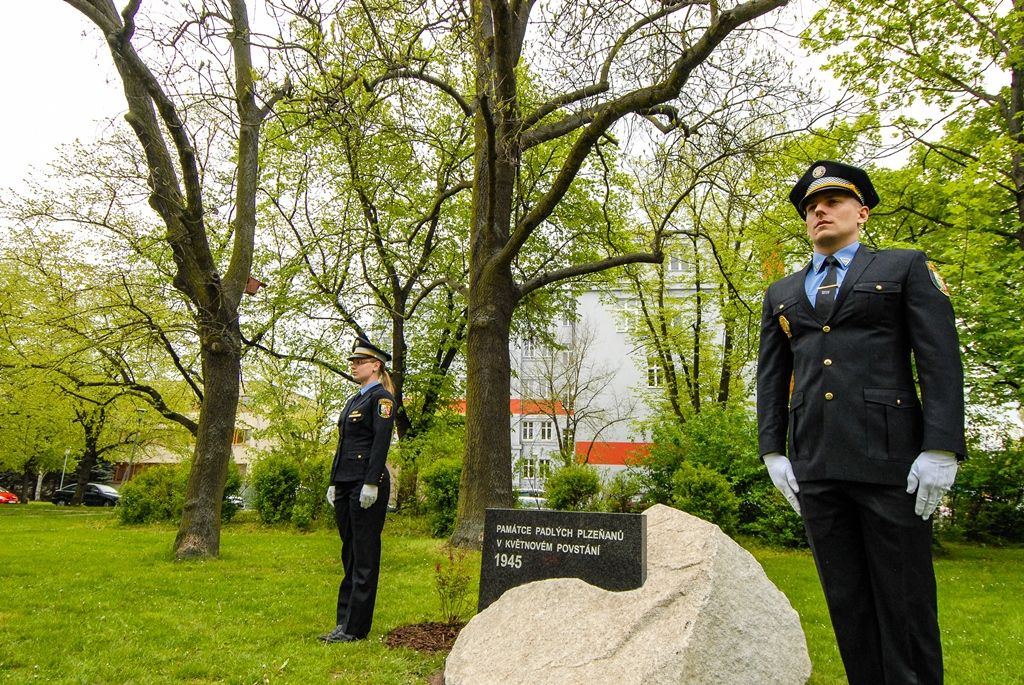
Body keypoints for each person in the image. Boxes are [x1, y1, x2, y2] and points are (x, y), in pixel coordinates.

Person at [756, 160, 965, 685]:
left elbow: (938, 359)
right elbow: (771, 375)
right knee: (847, 603)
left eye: (831, 202)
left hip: (891, 462)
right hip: (817, 464)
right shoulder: (782, 291)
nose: (819, 211)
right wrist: (773, 451)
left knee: (905, 603)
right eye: (810, 207)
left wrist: (941, 446)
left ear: (862, 212)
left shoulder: (903, 268)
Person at [319, 337, 396, 644]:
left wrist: (372, 481)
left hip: (366, 483)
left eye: (359, 362)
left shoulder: (382, 399)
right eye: (352, 362)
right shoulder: (354, 401)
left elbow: (380, 443)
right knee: (349, 554)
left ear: (375, 365)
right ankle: (343, 622)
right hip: (346, 483)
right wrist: (333, 481)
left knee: (364, 554)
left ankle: (355, 628)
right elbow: (343, 446)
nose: (353, 366)